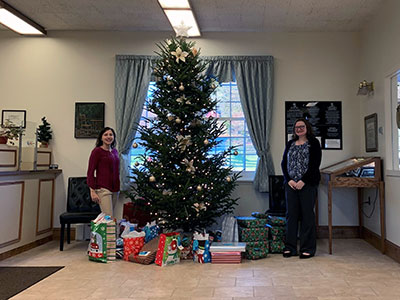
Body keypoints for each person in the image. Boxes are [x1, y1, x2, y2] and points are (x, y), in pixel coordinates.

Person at [281, 118, 322, 259]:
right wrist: (289, 180)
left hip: (308, 185)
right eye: (296, 127)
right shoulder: (290, 144)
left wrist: (303, 181)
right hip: (291, 185)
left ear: (307, 127)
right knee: (291, 216)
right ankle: (290, 247)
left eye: (302, 126)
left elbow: (315, 164)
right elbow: (283, 163)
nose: (299, 129)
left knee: (307, 216)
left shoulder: (314, 143)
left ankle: (307, 248)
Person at [87, 127, 120, 218]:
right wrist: (92, 191)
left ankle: (112, 233)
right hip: (103, 188)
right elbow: (90, 171)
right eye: (106, 135)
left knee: (112, 218)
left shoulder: (115, 151)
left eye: (111, 134)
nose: (108, 137)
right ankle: (109, 233)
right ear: (101, 138)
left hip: (115, 189)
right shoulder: (97, 151)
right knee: (108, 218)